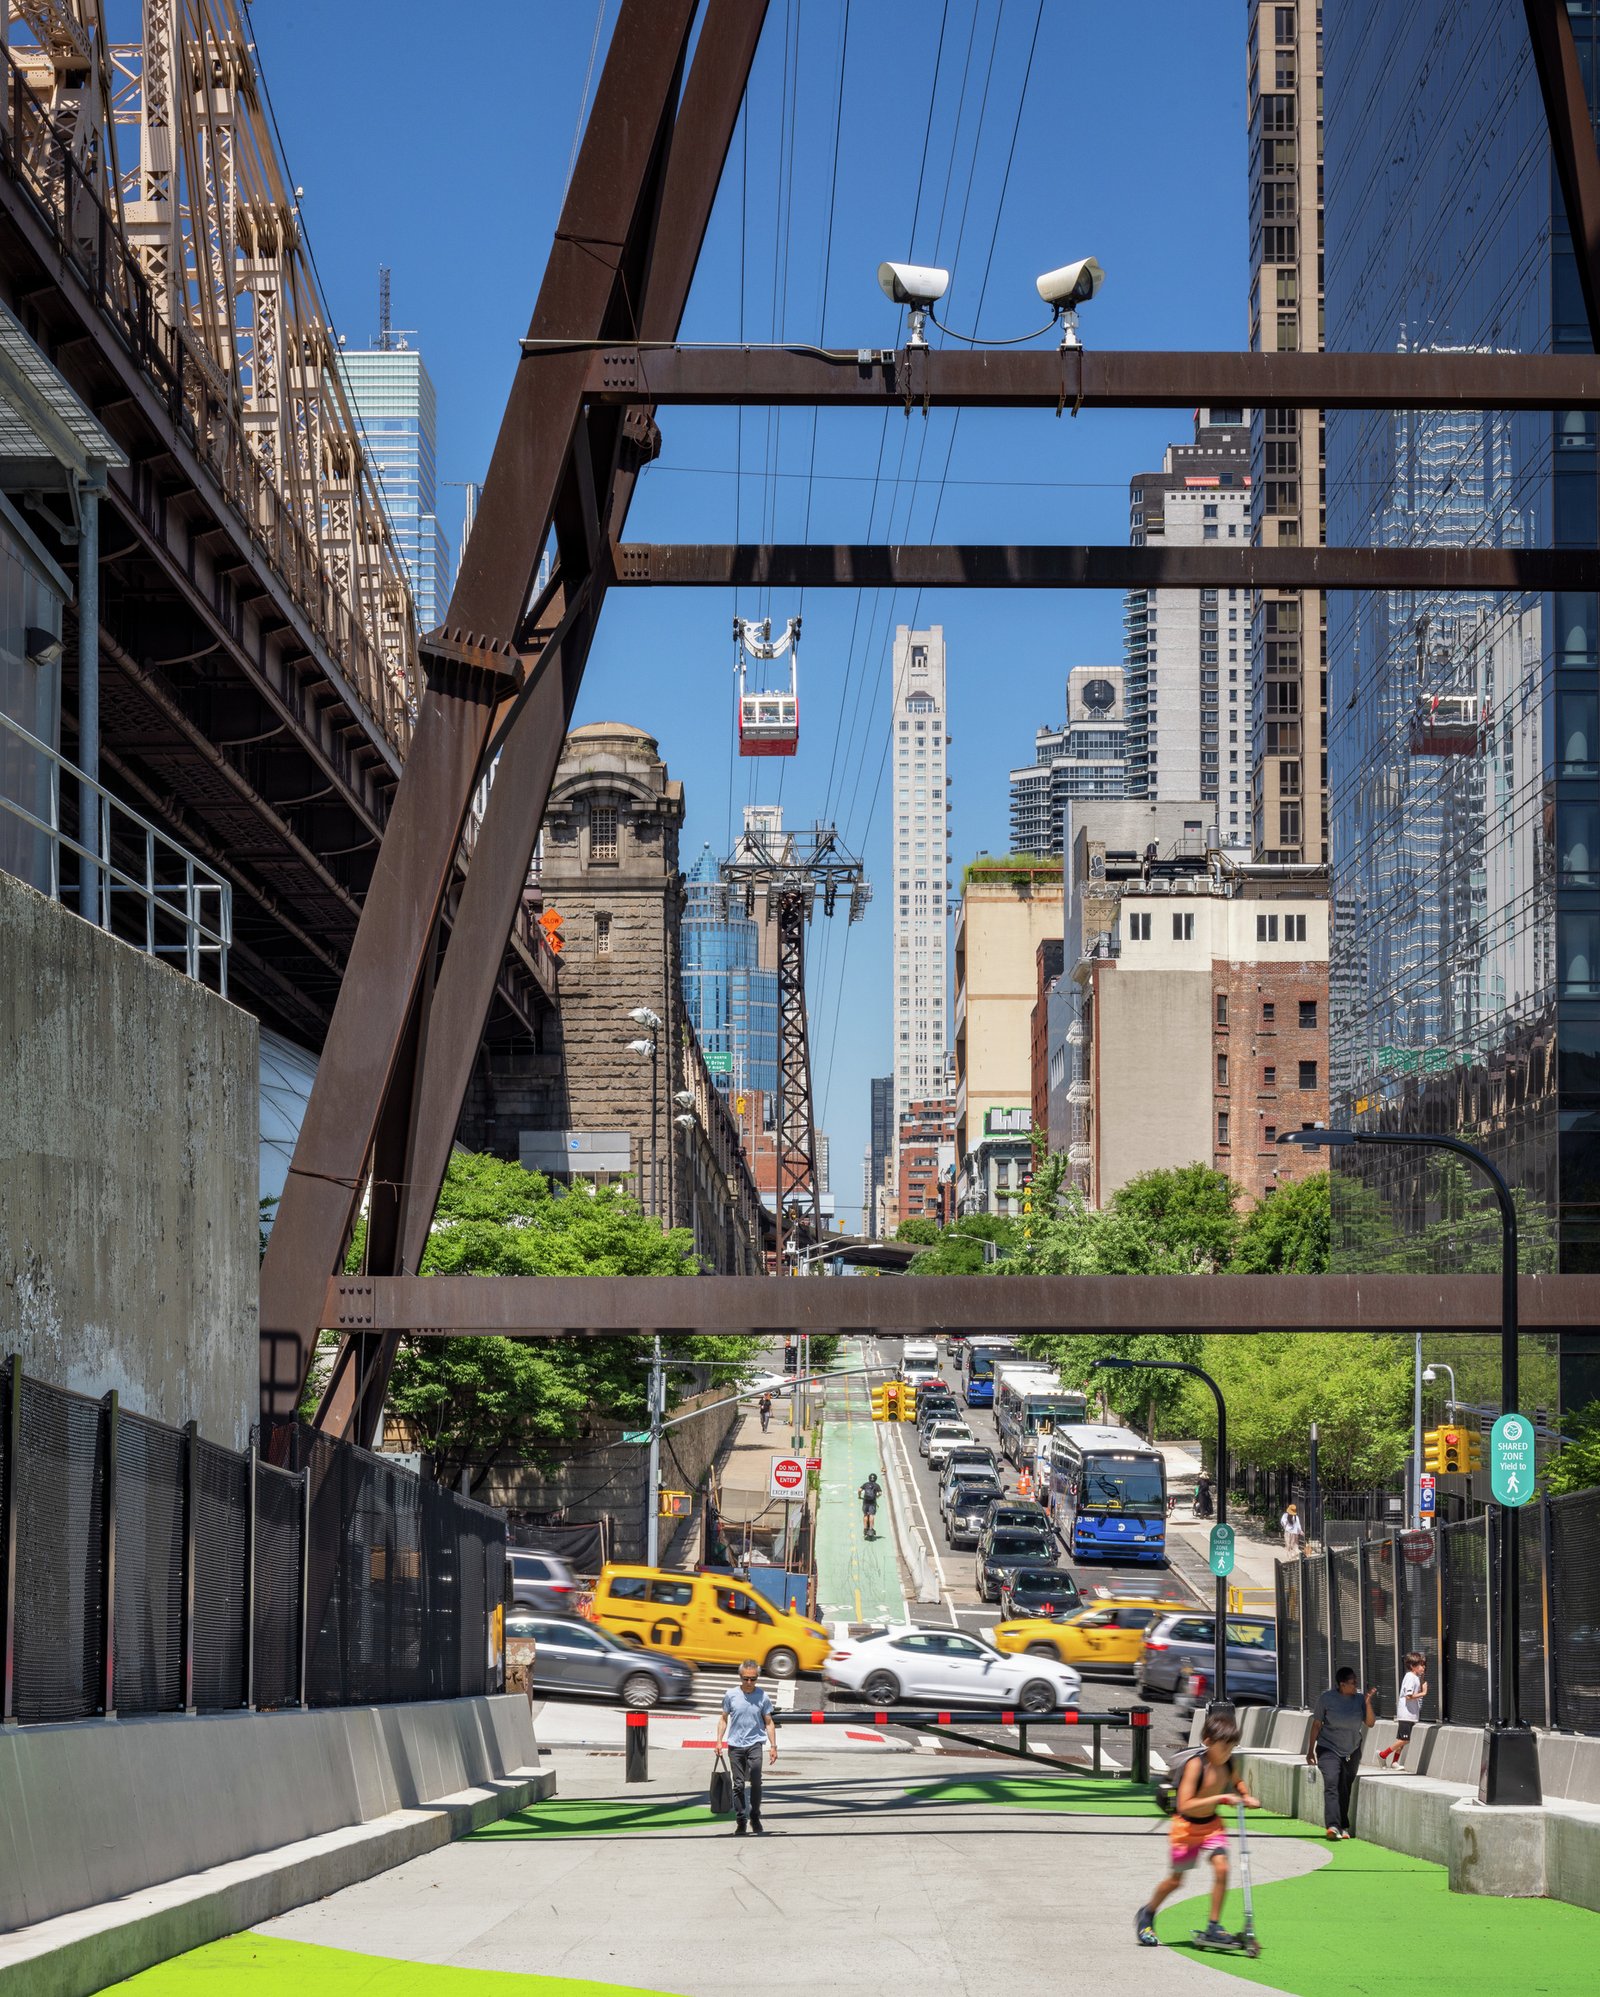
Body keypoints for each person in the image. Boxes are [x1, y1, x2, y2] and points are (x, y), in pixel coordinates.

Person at [1136, 1709, 1260, 1948]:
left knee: (1222, 1869)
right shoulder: (1196, 1765)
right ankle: (1147, 1913)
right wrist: (1222, 1799)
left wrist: (1246, 1795)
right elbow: (1185, 1803)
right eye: (1224, 1748)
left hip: (1212, 1826)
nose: (1227, 1753)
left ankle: (1213, 1925)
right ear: (1208, 1742)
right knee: (1176, 1881)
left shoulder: (1228, 1763)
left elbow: (1237, 1781)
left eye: (1232, 1748)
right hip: (1187, 1829)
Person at [1307, 1665, 1377, 1838]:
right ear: (1342, 1684)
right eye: (1352, 1683)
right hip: (1328, 1747)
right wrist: (1310, 1751)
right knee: (1331, 1782)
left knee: (1344, 1786)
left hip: (1351, 1750)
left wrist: (1367, 1704)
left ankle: (1343, 1825)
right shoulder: (1326, 1699)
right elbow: (1316, 1725)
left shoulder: (1360, 1699)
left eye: (1356, 1682)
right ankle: (1332, 1825)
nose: (1356, 1686)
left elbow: (1370, 1723)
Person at [714, 1657, 778, 1835]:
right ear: (740, 1677)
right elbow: (723, 1718)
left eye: (753, 1679)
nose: (749, 1682)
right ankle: (741, 1820)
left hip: (755, 1744)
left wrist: (773, 1746)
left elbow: (769, 1722)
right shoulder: (731, 1695)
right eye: (746, 1678)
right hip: (735, 1745)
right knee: (739, 1785)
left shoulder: (762, 1696)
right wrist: (719, 1740)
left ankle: (755, 1816)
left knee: (756, 1781)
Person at [1377, 1653, 1428, 1769]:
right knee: (1404, 1739)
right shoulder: (1410, 1677)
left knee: (1402, 1740)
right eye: (1421, 1665)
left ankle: (1395, 1762)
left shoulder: (1415, 1677)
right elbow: (1408, 1696)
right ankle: (1382, 1754)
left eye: (1424, 1665)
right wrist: (1423, 1693)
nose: (1423, 1668)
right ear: (1412, 1666)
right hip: (1406, 1714)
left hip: (1410, 1714)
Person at [859, 1472, 881, 1539]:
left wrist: (859, 1496)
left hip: (865, 1501)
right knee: (871, 1515)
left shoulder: (866, 1484)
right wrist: (876, 1497)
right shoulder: (877, 1485)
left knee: (865, 1515)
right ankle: (871, 1529)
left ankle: (865, 1529)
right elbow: (880, 1493)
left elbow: (859, 1490)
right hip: (872, 1502)